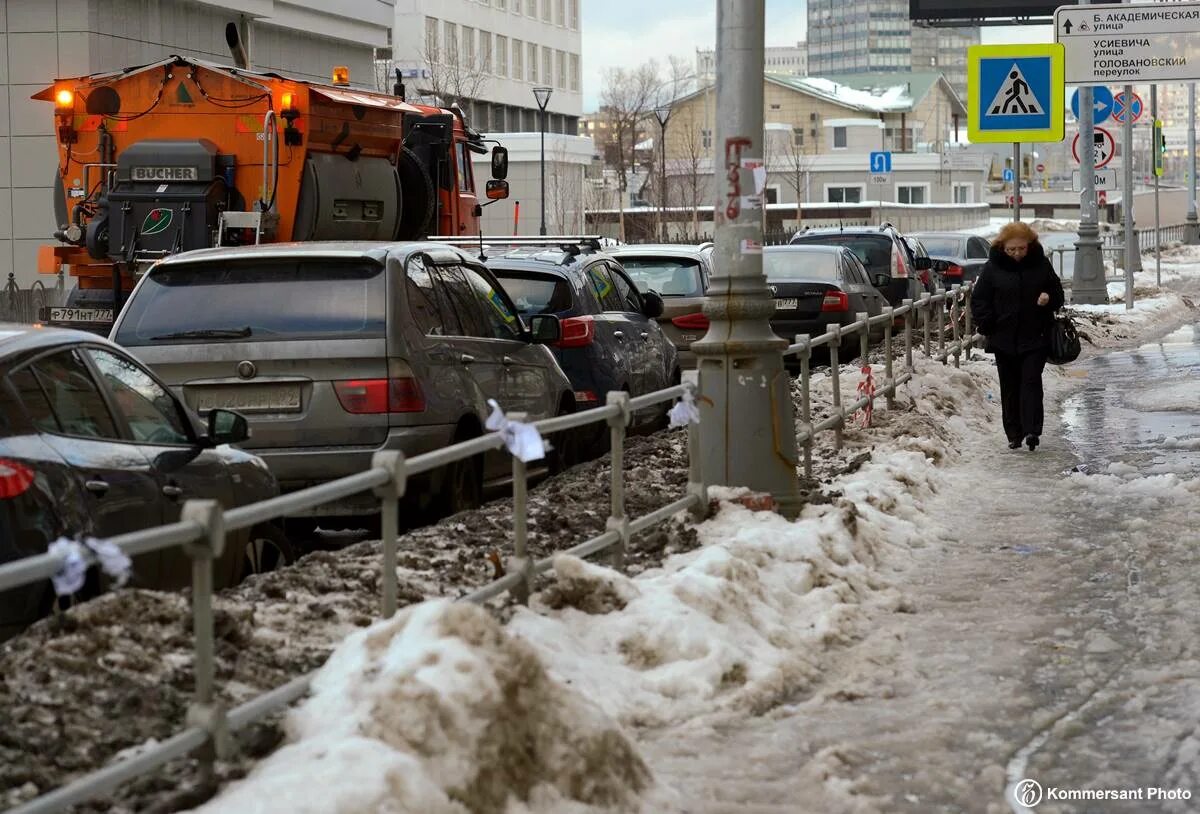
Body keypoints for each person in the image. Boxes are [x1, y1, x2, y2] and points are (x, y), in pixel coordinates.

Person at [970, 222, 1065, 451]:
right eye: (1011, 250)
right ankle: (1014, 433)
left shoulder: (1041, 264)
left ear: (1030, 245)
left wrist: (1048, 298)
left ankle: (1032, 430)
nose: (1016, 254)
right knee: (1010, 385)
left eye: (1021, 249)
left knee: (1031, 381)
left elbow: (1058, 294)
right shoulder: (992, 268)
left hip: (1036, 336)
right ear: (1002, 247)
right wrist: (988, 322)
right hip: (1004, 339)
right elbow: (979, 300)